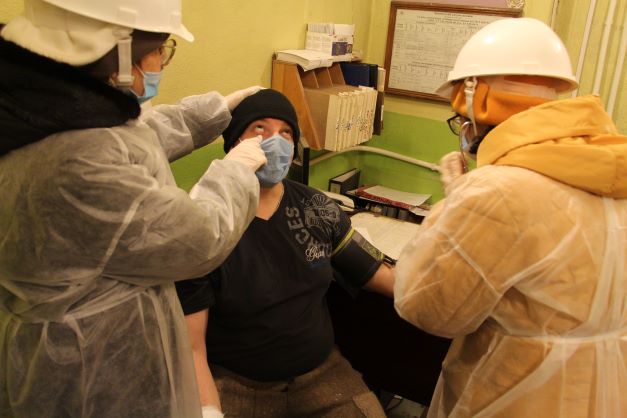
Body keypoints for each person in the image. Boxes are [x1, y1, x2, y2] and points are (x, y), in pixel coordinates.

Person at [0, 1, 268, 418]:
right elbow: (200, 239)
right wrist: (236, 171)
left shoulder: (40, 105)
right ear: (120, 53)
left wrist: (207, 115)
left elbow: (128, 141)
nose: (162, 61)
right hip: (91, 368)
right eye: (160, 49)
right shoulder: (76, 161)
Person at [394, 17, 627, 418]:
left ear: (474, 102)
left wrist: (455, 205)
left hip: (520, 393)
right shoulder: (609, 171)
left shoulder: (496, 190)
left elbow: (428, 308)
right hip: (606, 388)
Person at [176, 88, 395, 417]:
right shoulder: (204, 224)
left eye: (286, 132)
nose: (275, 142)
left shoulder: (317, 207)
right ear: (235, 144)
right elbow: (191, 349)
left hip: (322, 374)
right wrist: (208, 411)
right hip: (237, 382)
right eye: (260, 129)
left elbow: (379, 274)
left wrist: (446, 284)